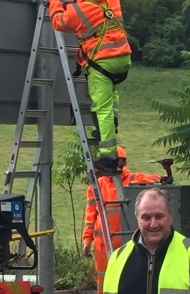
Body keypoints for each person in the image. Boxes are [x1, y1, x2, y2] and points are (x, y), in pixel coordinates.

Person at [49, 0, 131, 174]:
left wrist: (55, 2)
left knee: (102, 109)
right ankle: (110, 125)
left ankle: (108, 158)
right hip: (123, 59)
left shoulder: (78, 9)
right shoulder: (112, 2)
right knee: (111, 94)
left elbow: (58, 21)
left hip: (102, 62)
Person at [83, 147, 160, 294]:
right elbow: (90, 215)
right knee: (104, 282)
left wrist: (158, 179)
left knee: (127, 281)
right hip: (103, 245)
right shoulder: (96, 186)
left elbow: (155, 180)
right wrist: (87, 240)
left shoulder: (130, 179)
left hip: (127, 243)